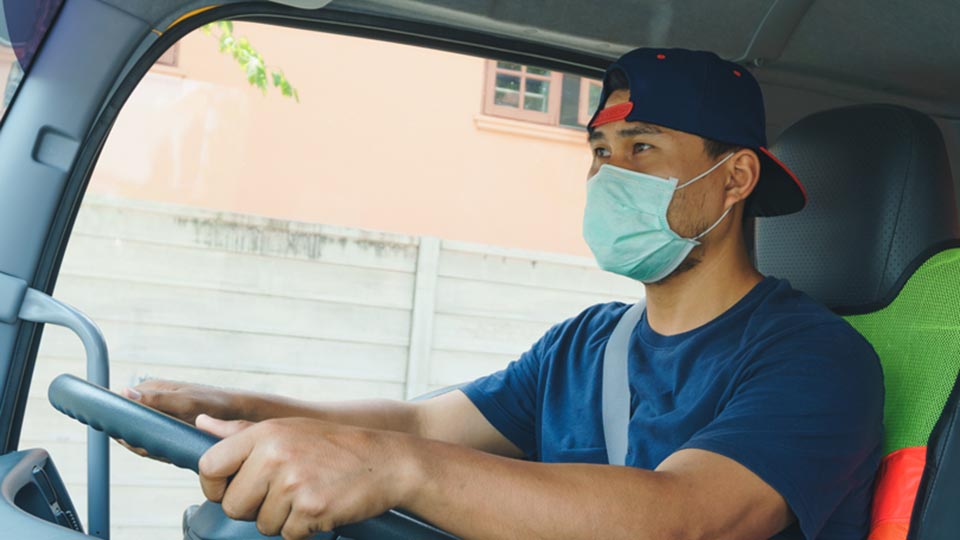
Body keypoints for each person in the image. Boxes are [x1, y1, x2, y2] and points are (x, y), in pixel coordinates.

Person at [123, 48, 883, 540]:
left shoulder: (817, 360)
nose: (606, 176)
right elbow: (422, 421)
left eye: (642, 148)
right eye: (599, 151)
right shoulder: (588, 343)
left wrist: (393, 467)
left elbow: (685, 516)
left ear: (735, 178)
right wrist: (237, 409)